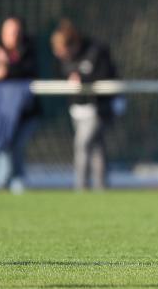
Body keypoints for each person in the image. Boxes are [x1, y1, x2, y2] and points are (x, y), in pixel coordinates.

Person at [50, 19, 117, 191]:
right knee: (96, 148)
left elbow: (107, 73)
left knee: (82, 144)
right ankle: (102, 188)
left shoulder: (96, 50)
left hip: (97, 109)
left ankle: (81, 186)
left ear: (72, 44)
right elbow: (59, 73)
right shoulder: (63, 59)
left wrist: (84, 79)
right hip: (77, 109)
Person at [0, 17, 39, 193]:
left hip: (24, 114)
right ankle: (3, 181)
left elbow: (28, 71)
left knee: (15, 148)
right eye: (9, 32)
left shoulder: (28, 51)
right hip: (1, 115)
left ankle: (15, 179)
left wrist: (6, 67)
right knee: (2, 145)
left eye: (16, 32)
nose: (13, 36)